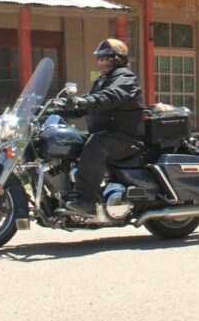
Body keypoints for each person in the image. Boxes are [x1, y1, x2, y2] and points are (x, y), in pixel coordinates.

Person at [61, 39, 144, 218]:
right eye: (99, 59)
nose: (102, 62)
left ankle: (87, 201)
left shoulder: (125, 77)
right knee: (70, 141)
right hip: (108, 135)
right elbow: (90, 103)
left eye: (106, 58)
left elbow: (111, 96)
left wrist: (85, 100)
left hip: (125, 139)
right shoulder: (102, 80)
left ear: (119, 59)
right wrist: (62, 108)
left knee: (96, 144)